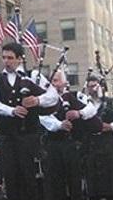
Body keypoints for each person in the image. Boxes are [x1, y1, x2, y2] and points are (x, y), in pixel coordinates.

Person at [0, 42, 58, 200]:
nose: (6, 61)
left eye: (10, 58)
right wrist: (11, 111)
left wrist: (37, 100)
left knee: (29, 175)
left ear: (19, 59)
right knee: (10, 176)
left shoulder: (32, 76)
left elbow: (53, 96)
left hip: (28, 136)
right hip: (6, 135)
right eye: (4, 57)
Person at [39, 70, 95, 199]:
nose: (54, 84)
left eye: (57, 80)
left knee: (74, 181)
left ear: (65, 83)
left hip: (71, 145)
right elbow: (42, 117)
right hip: (52, 146)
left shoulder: (72, 97)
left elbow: (91, 109)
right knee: (55, 183)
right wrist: (59, 124)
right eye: (52, 81)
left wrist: (79, 113)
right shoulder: (45, 100)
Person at [83, 74, 113, 199]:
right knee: (93, 179)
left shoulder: (111, 103)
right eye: (89, 86)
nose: (92, 89)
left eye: (94, 86)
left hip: (109, 144)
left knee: (110, 180)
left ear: (101, 87)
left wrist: (111, 126)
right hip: (91, 144)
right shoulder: (84, 104)